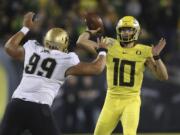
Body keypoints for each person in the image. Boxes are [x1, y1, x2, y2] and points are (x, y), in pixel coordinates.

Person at [0, 12, 108, 135]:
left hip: (16, 105)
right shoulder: (66, 59)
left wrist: (25, 27)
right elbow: (97, 68)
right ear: (64, 44)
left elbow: (9, 47)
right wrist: (103, 51)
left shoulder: (32, 48)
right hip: (38, 108)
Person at [77, 16, 168, 135]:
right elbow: (81, 42)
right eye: (123, 29)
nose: (125, 32)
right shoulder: (110, 45)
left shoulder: (144, 51)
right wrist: (89, 31)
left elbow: (163, 77)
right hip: (111, 99)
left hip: (131, 100)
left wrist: (156, 57)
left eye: (129, 29)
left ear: (136, 31)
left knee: (130, 133)